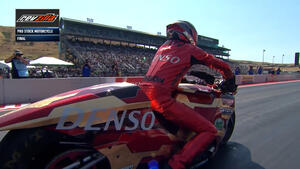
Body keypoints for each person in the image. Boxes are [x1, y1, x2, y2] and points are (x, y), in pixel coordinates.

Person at [139, 21, 237, 169]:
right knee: (209, 130)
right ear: (189, 35)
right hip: (161, 99)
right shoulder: (189, 49)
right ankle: (176, 164)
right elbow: (216, 63)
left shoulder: (163, 48)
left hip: (142, 92)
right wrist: (230, 77)